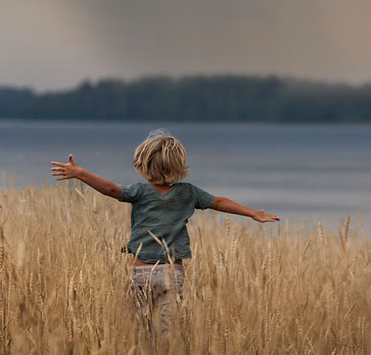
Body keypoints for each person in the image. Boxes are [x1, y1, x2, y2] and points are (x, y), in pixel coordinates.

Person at [50, 129, 280, 338]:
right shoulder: (189, 193)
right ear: (178, 166)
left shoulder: (139, 191)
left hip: (142, 272)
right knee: (167, 334)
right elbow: (218, 201)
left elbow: (110, 189)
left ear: (142, 164)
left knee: (143, 331)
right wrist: (252, 213)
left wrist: (80, 173)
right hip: (172, 273)